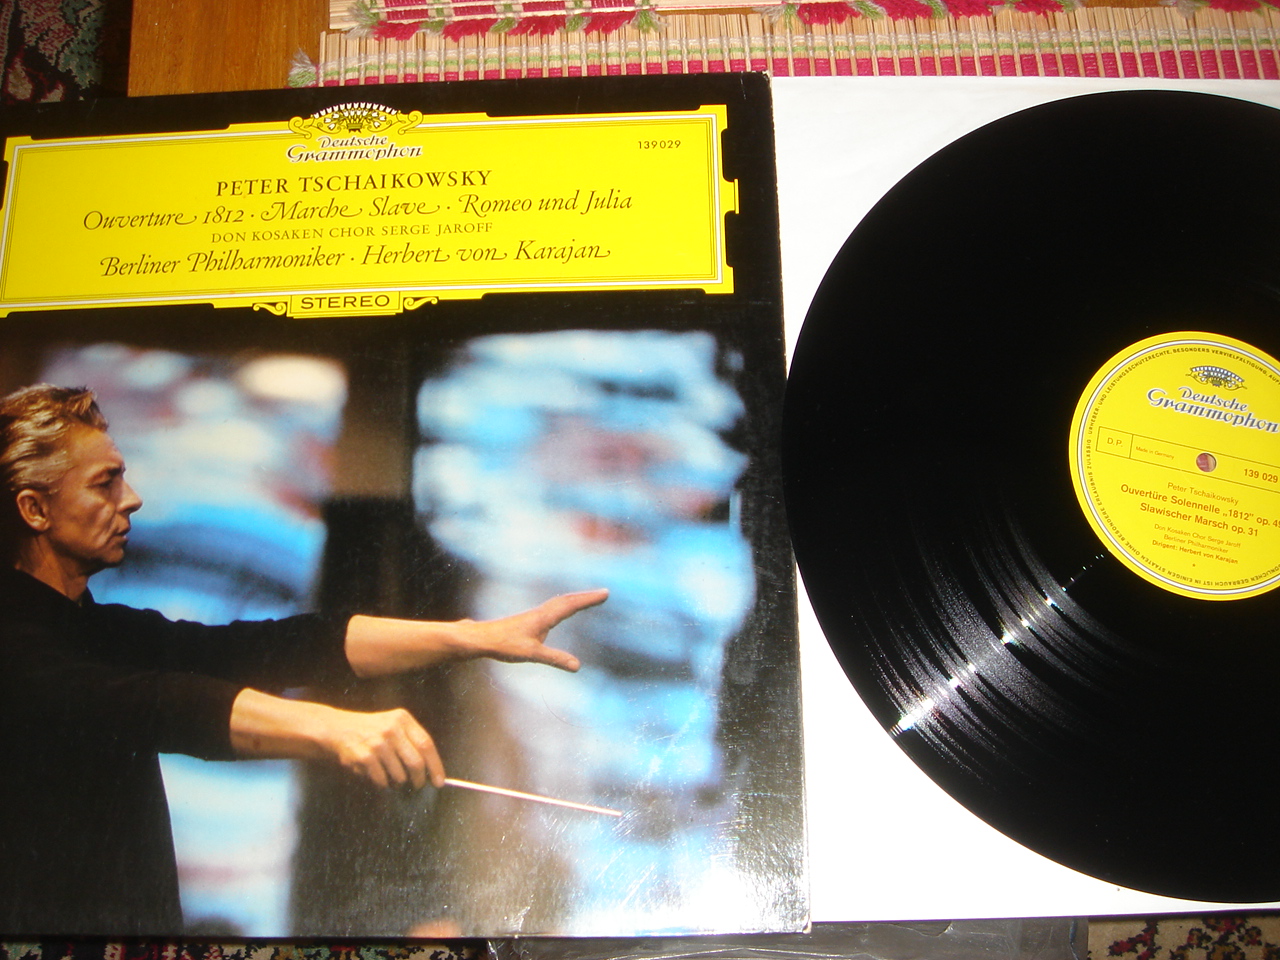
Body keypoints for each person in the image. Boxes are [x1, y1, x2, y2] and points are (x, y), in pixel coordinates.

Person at [0, 384, 607, 936]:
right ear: (34, 509)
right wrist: (334, 728)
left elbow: (276, 645)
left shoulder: (96, 629)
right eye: (104, 483)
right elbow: (159, 706)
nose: (130, 499)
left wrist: (472, 639)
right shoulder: (16, 649)